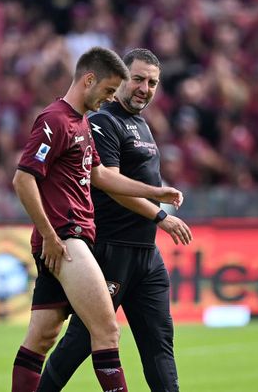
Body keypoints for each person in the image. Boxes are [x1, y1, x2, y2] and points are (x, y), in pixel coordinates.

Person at [11, 46, 185, 392]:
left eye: (152, 82)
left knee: (42, 337)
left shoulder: (80, 124)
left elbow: (101, 176)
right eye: (108, 90)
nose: (108, 99)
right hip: (67, 238)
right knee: (105, 331)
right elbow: (22, 178)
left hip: (77, 238)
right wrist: (48, 233)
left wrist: (157, 192)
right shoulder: (56, 120)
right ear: (89, 80)